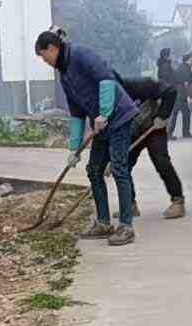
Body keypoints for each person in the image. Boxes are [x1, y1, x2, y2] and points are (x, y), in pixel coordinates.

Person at [38, 28, 140, 247]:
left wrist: (104, 112)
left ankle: (126, 226)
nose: (46, 62)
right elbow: (76, 113)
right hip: (101, 124)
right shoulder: (65, 75)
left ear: (52, 48)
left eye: (45, 57)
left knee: (119, 168)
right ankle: (103, 223)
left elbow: (106, 79)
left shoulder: (80, 54)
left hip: (119, 116)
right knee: (94, 170)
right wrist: (74, 149)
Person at [117, 73, 187, 219]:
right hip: (132, 132)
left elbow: (171, 91)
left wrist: (162, 115)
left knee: (162, 162)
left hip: (154, 128)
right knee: (122, 166)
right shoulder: (107, 102)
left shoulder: (138, 85)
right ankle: (130, 204)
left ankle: (178, 201)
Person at [173, 54, 192, 138]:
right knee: (181, 113)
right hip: (181, 95)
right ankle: (184, 133)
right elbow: (186, 83)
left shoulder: (182, 66)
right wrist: (190, 96)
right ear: (188, 59)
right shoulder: (185, 68)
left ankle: (184, 132)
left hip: (178, 94)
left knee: (182, 113)